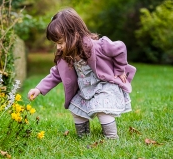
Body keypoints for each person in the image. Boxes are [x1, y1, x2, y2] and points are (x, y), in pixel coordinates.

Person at [27, 8, 136, 139]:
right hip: (86, 89)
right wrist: (39, 88)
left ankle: (111, 137)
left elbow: (120, 48)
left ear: (74, 34)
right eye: (56, 44)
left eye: (60, 43)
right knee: (76, 108)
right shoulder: (66, 56)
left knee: (103, 110)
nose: (58, 47)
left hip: (104, 85)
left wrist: (119, 69)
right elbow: (56, 74)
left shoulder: (96, 46)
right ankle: (83, 136)